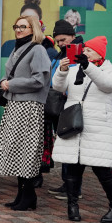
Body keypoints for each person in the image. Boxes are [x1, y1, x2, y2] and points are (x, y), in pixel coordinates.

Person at [52, 36, 112, 222]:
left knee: (103, 170)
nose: (84, 53)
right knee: (73, 169)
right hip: (74, 123)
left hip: (98, 127)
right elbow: (58, 87)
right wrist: (62, 70)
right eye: (84, 50)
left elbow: (108, 86)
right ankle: (72, 206)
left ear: (100, 53)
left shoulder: (111, 71)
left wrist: (88, 67)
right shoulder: (75, 69)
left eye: (89, 51)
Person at [0, 15, 51, 212]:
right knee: (16, 149)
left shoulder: (38, 49)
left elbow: (39, 80)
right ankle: (23, 194)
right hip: (16, 105)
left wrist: (11, 85)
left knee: (26, 150)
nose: (18, 30)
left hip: (29, 106)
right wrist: (3, 82)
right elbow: (11, 73)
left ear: (32, 28)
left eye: (23, 27)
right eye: (16, 26)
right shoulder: (18, 48)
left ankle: (28, 196)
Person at [46, 19, 83, 200]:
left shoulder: (78, 53)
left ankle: (73, 188)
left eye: (64, 39)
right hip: (58, 106)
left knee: (71, 147)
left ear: (73, 36)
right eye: (58, 40)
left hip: (70, 106)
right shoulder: (61, 54)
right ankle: (67, 184)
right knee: (65, 145)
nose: (61, 43)